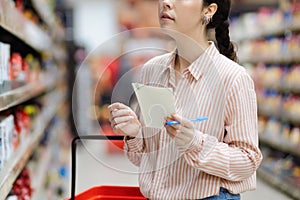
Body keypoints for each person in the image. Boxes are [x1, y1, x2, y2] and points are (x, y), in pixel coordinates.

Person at [108, 0, 263, 199]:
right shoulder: (152, 71)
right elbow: (144, 160)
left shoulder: (233, 78)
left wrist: (194, 142)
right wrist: (135, 133)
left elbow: (248, 162)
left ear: (208, 10)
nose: (165, 2)